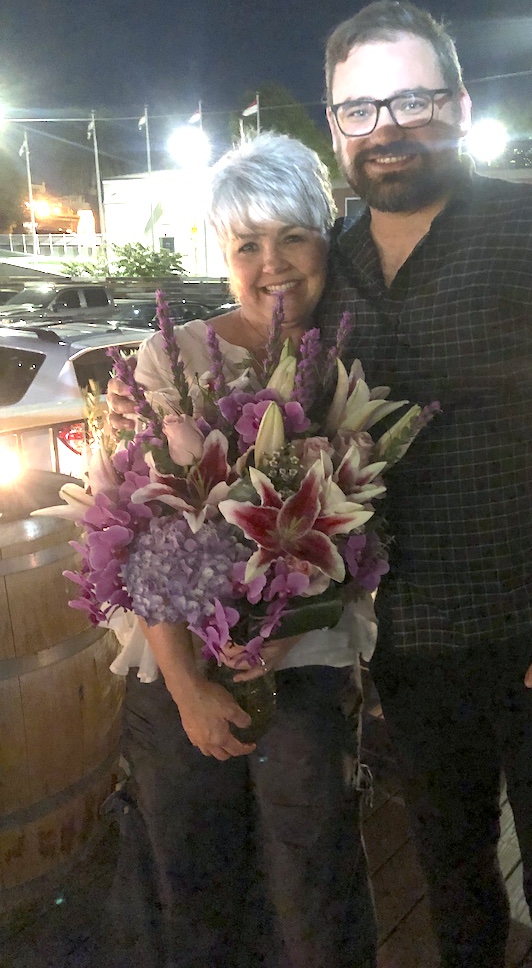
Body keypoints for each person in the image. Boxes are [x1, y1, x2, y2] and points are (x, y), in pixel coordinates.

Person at [310, 0, 532, 968]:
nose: (387, 125)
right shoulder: (327, 269)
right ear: (336, 124)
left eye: (413, 97)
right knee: (453, 888)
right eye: (359, 107)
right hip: (410, 657)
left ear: (461, 106)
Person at [105, 132, 377, 968]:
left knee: (312, 877)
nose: (274, 264)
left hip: (300, 663)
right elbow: (135, 533)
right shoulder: (168, 356)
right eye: (247, 245)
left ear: (324, 239)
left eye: (293, 236)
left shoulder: (341, 364)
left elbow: (360, 526)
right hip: (177, 662)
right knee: (194, 874)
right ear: (223, 254)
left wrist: (280, 637)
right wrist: (189, 688)